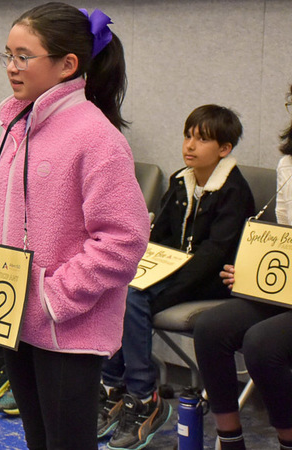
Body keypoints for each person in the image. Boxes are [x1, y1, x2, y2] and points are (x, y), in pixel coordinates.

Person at [0, 3, 150, 449]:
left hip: (66, 327)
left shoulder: (96, 137)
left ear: (67, 64)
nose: (12, 68)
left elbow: (124, 239)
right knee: (39, 440)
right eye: (7, 55)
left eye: (24, 56)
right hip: (10, 315)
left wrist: (55, 297)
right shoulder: (14, 125)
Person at [100, 104, 256, 449]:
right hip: (174, 273)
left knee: (134, 295)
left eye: (201, 140)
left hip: (213, 280)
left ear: (225, 149)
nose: (189, 146)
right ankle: (112, 386)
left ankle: (143, 396)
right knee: (116, 283)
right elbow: (161, 240)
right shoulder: (179, 180)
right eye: (188, 136)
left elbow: (215, 254)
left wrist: (164, 288)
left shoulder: (234, 191)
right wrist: (141, 267)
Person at [193, 84, 292, 450]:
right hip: (287, 290)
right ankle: (230, 440)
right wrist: (253, 270)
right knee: (211, 327)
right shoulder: (288, 165)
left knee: (262, 344)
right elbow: (284, 237)